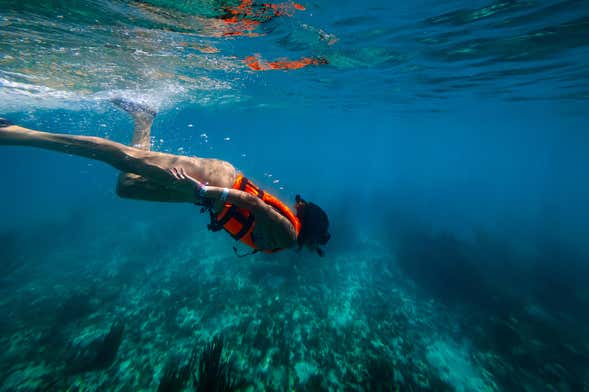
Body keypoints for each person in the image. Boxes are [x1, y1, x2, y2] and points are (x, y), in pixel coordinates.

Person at [0, 102, 330, 257]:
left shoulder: (287, 238)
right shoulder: (288, 235)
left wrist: (201, 195)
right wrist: (200, 189)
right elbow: (252, 201)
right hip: (214, 182)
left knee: (126, 186)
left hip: (207, 194)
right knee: (122, 157)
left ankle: (144, 117)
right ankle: (17, 134)